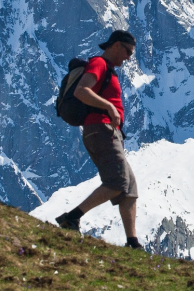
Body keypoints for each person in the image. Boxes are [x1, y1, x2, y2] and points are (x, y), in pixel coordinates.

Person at [55, 30, 142, 249]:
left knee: (129, 187)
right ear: (115, 45)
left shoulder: (109, 69)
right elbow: (82, 91)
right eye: (128, 51)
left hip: (108, 132)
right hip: (100, 129)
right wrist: (109, 106)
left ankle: (132, 242)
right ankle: (72, 217)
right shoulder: (99, 64)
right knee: (117, 182)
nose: (129, 57)